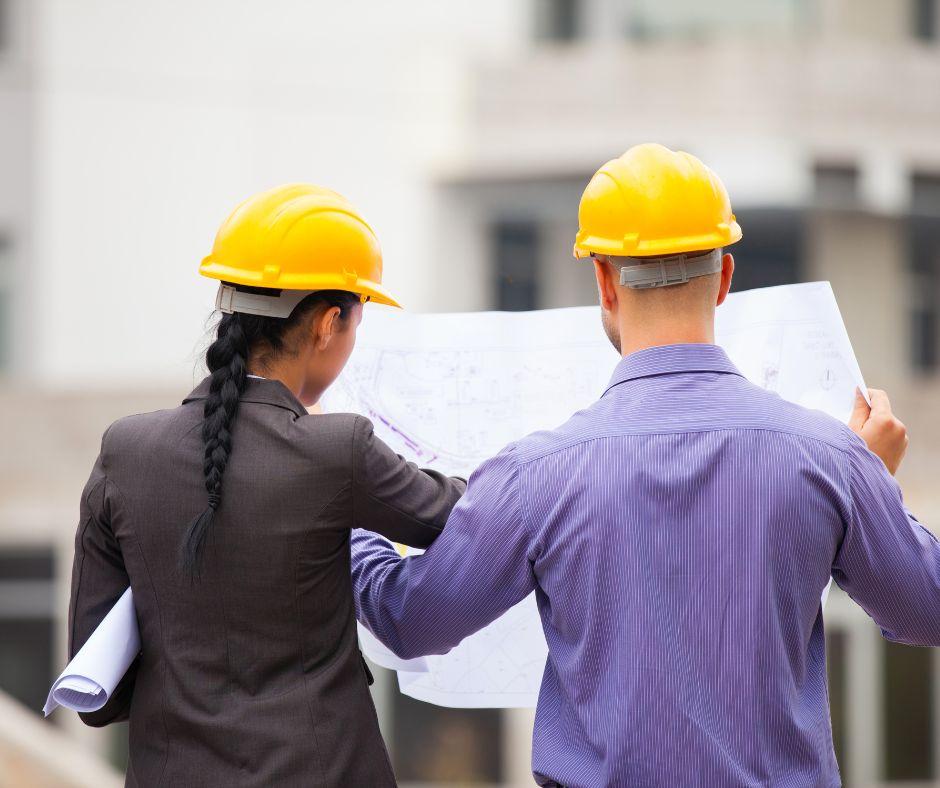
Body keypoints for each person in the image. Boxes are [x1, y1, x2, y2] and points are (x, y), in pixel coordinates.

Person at [351, 144, 940, 787]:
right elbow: (925, 609)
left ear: (604, 280)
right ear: (724, 277)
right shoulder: (828, 459)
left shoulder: (538, 475)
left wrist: (341, 508)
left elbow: (409, 619)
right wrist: (869, 481)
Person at [67, 184, 465, 787]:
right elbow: (464, 515)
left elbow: (97, 699)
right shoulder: (338, 450)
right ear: (331, 323)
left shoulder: (124, 451)